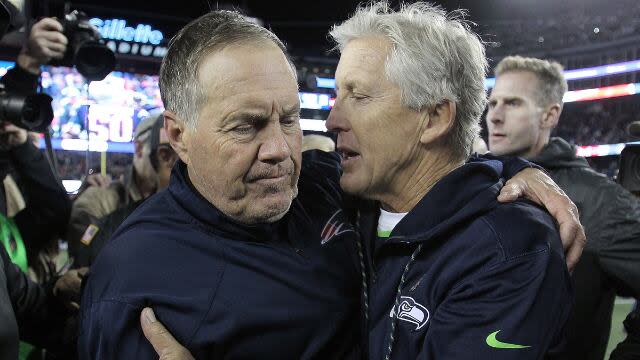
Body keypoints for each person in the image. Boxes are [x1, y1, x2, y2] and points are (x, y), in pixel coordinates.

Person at [81, 9, 584, 360]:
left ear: (432, 118)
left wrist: (517, 172)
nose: (331, 120)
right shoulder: (133, 279)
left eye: (358, 96)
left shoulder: (507, 249)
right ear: (178, 136)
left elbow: (451, 185)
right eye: (246, 125)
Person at [486, 55, 640, 360]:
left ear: (549, 116)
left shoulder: (598, 199)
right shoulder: (476, 183)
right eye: (493, 103)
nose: (494, 116)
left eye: (513, 103)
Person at [73, 114, 178, 267]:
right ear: (139, 148)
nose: (170, 161)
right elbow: (84, 265)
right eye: (164, 152)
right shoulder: (99, 200)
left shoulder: (171, 198)